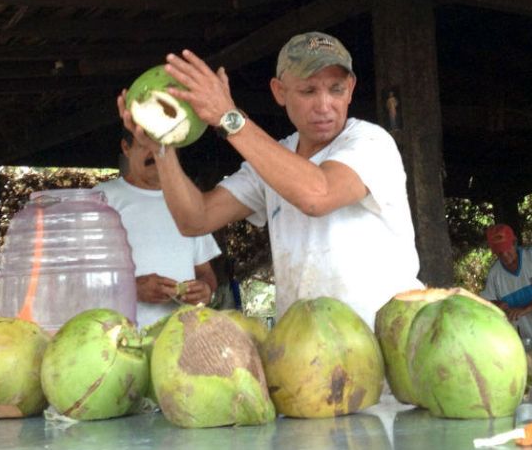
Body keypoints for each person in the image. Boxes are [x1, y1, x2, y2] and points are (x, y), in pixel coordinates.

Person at [117, 31, 423, 329]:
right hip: (305, 351)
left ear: (351, 88)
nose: (324, 104)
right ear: (279, 91)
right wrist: (161, 147)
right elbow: (195, 219)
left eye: (336, 89)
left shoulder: (370, 142)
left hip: (383, 345)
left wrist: (229, 116)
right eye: (308, 91)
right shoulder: (271, 160)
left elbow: (318, 195)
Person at [93, 130, 222, 328]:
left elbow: (206, 274)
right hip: (119, 340)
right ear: (126, 148)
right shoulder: (101, 199)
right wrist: (132, 289)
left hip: (182, 336)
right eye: (145, 144)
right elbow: (80, 281)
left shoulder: (188, 202)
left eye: (165, 145)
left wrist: (205, 289)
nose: (156, 152)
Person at [480, 223, 532, 341]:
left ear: (514, 243)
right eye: (499, 253)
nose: (505, 255)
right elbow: (487, 302)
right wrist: (498, 305)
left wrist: (524, 310)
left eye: (507, 249)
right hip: (529, 340)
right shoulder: (494, 274)